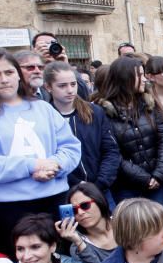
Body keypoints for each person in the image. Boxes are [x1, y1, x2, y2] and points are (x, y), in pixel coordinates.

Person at [0, 49, 81, 256]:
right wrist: (31, 166)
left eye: (8, 72)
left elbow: (70, 147)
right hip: (9, 210)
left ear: (18, 74)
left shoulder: (43, 109)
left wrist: (54, 166)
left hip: (53, 202)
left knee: (62, 262)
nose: (4, 79)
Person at [95, 56, 163, 218]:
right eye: (140, 75)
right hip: (128, 186)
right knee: (135, 230)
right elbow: (112, 152)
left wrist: (159, 174)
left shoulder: (149, 105)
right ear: (125, 78)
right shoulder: (105, 112)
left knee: (161, 226)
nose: (144, 79)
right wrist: (143, 178)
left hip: (159, 181)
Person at [43, 61, 120, 195]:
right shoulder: (44, 118)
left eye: (73, 84)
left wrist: (99, 184)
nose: (70, 90)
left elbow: (111, 150)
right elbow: (47, 159)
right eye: (62, 86)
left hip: (99, 189)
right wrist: (75, 184)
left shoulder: (95, 112)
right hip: (64, 191)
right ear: (48, 87)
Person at [54, 182, 117, 263]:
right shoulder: (77, 245)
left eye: (85, 205)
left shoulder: (123, 223)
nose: (80, 212)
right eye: (74, 210)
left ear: (99, 201)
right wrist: (80, 244)